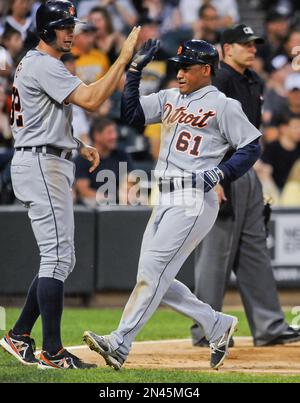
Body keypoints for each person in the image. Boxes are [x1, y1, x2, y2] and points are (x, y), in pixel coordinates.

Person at [83, 38, 262, 371]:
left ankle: (119, 343)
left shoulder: (222, 105)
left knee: (153, 273)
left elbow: (251, 147)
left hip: (193, 199)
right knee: (153, 276)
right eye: (177, 67)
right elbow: (132, 113)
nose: (178, 73)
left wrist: (223, 173)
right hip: (164, 195)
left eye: (187, 67)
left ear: (206, 70)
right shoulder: (169, 97)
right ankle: (216, 324)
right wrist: (135, 70)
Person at [0, 0, 140, 369]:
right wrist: (122, 59)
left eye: (71, 26)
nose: (70, 32)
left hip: (45, 157)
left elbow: (37, 120)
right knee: (58, 257)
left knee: (60, 258)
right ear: (45, 30)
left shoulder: (36, 63)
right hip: (42, 164)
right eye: (63, 26)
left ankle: (18, 335)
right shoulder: (44, 64)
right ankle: (52, 351)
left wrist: (77, 144)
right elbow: (93, 100)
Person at [191, 24, 300, 348]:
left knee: (254, 250)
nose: (252, 49)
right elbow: (207, 131)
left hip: (248, 171)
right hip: (221, 170)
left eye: (253, 44)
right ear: (227, 49)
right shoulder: (219, 80)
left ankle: (269, 326)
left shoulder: (251, 80)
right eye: (244, 44)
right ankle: (206, 329)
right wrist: (215, 177)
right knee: (215, 255)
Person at [75, 118, 134, 206]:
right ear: (97, 135)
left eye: (115, 132)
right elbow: (84, 191)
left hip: (118, 203)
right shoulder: (83, 158)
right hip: (92, 206)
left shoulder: (122, 156)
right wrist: (109, 200)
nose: (114, 136)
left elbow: (129, 182)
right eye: (110, 133)